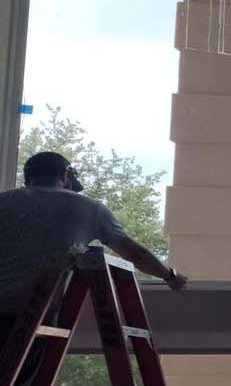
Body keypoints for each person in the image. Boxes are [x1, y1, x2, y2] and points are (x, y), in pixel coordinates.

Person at [0, 152, 186, 374]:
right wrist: (170, 276)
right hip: (26, 316)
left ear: (28, 178)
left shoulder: (4, 201)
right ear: (65, 174)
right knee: (13, 385)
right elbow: (133, 252)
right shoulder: (88, 208)